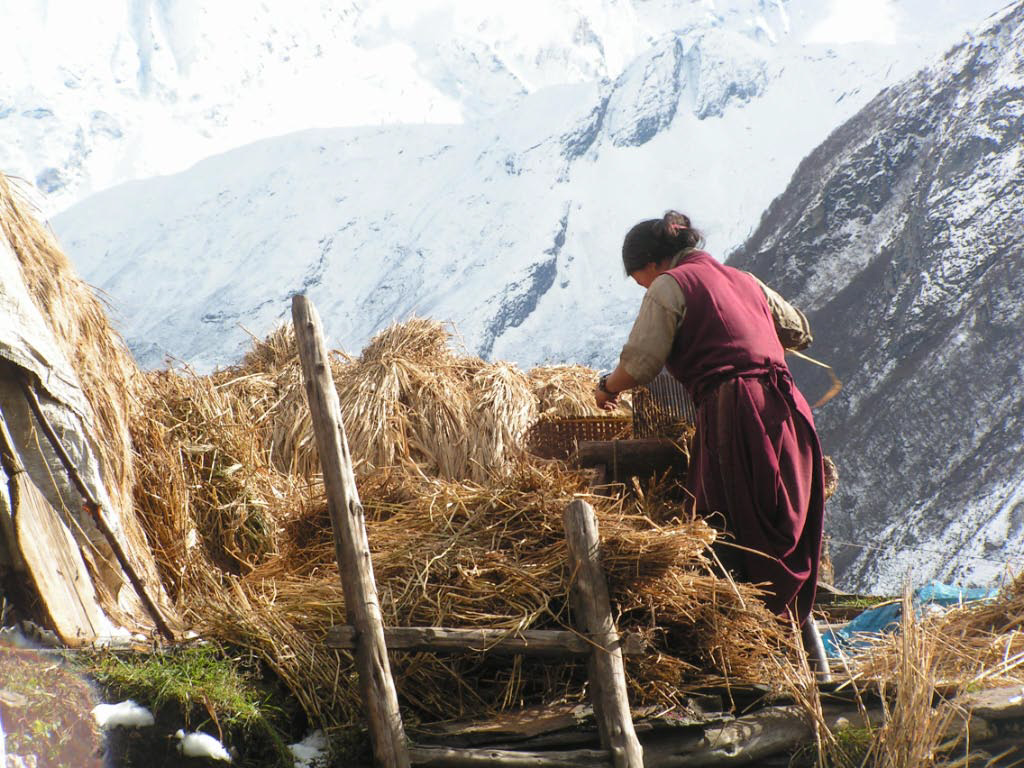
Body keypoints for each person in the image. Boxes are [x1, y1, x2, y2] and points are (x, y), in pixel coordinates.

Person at [594, 210, 826, 639]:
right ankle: (787, 637)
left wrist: (607, 387)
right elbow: (798, 330)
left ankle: (742, 638)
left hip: (735, 411)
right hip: (786, 407)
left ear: (650, 265)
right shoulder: (745, 279)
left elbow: (641, 365)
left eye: (637, 278)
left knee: (725, 523)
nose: (642, 287)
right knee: (780, 515)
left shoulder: (670, 285)